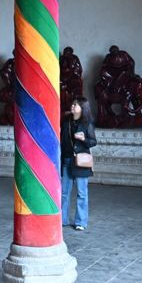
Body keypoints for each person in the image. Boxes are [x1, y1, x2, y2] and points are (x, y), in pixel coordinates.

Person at [61, 98, 97, 232]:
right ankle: (62, 219)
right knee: (64, 192)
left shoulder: (87, 123)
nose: (72, 106)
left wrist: (83, 138)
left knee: (82, 193)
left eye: (76, 105)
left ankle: (80, 222)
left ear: (83, 108)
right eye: (72, 104)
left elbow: (93, 141)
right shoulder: (66, 121)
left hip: (81, 162)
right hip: (67, 159)